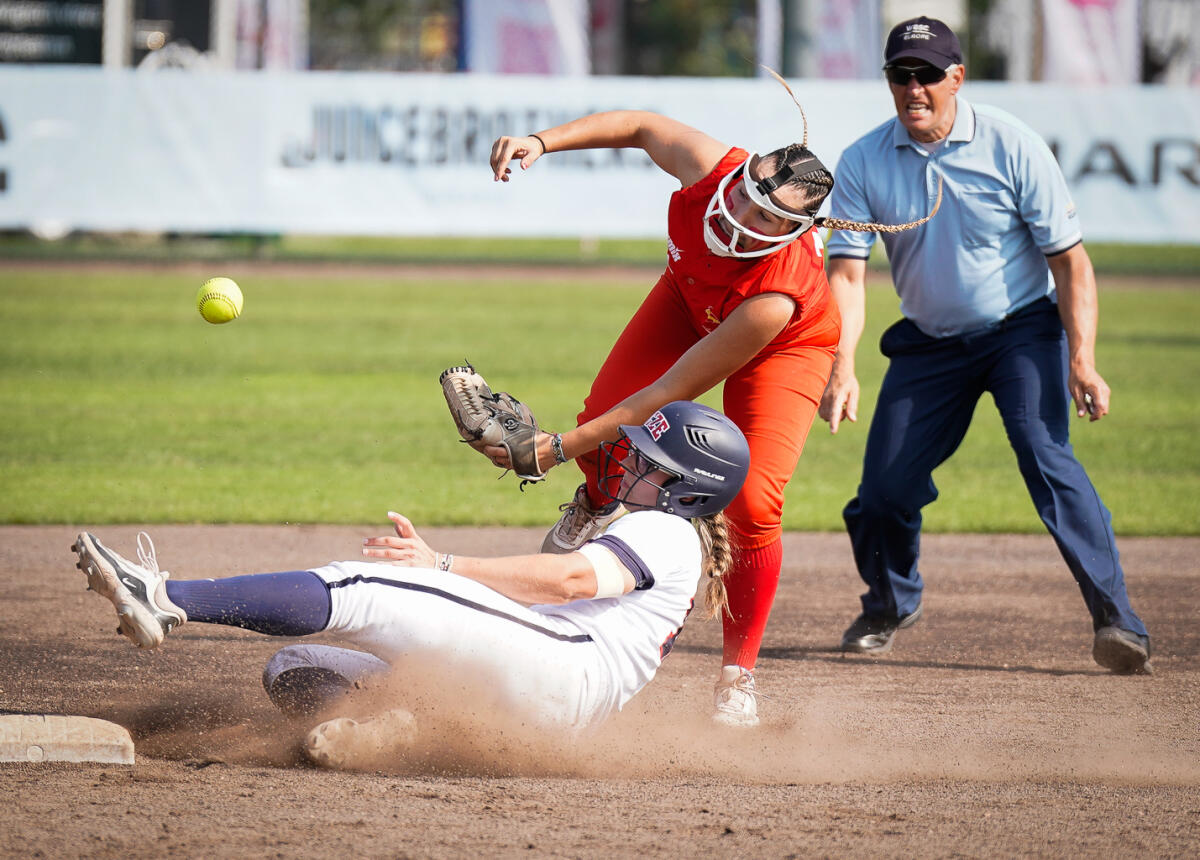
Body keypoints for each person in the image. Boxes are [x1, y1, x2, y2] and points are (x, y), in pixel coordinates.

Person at [486, 99, 933, 725]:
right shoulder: (707, 169)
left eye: (767, 217)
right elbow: (640, 125)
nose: (743, 216)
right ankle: (595, 498)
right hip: (688, 294)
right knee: (602, 417)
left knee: (752, 503)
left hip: (786, 347)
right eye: (747, 194)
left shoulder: (774, 297)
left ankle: (737, 674)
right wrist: (542, 140)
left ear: (797, 232)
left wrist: (555, 447)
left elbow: (668, 394)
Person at [72, 401, 750, 767]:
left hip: (559, 669)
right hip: (547, 694)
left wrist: (442, 565)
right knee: (297, 665)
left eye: (651, 461)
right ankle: (386, 734)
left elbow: (568, 581)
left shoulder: (667, 530)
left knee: (369, 584)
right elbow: (558, 582)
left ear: (689, 492)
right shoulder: (660, 530)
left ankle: (164, 597)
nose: (631, 461)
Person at [818, 16, 1151, 674]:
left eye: (927, 75)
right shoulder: (861, 160)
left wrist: (1081, 357)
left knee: (1046, 457)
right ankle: (890, 601)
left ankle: (1117, 619)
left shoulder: (1012, 145)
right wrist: (841, 365)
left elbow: (1071, 263)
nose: (913, 88)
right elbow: (848, 273)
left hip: (1021, 331)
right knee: (884, 492)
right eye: (899, 74)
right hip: (927, 344)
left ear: (956, 78)